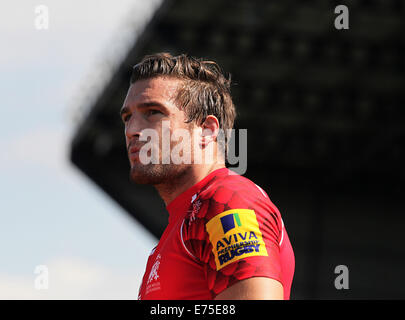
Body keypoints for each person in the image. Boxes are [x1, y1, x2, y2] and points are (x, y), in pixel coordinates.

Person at [120, 53, 295, 300]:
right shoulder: (181, 223)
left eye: (153, 112)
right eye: (127, 117)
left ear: (206, 129)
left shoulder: (228, 201)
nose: (132, 130)